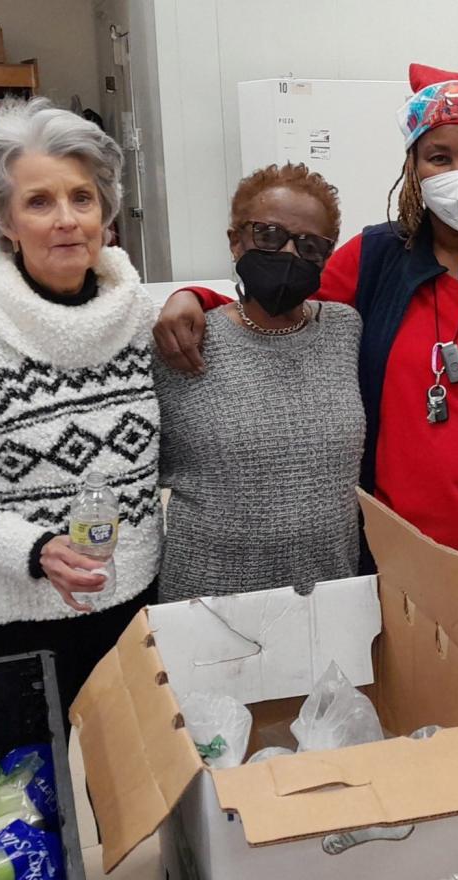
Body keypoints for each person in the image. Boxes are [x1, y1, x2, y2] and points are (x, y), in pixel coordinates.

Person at [154, 63, 458, 568]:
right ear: (413, 167)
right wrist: (196, 298)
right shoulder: (374, 257)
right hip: (381, 554)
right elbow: (280, 304)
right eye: (439, 157)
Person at [0, 97, 161, 727]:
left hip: (137, 607)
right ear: (4, 219)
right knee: (19, 806)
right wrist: (34, 548)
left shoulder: (139, 318)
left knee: (134, 796)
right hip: (15, 619)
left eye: (83, 198)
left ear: (106, 210)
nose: (67, 220)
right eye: (39, 202)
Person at [154, 163, 364, 600]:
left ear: (327, 255)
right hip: (208, 600)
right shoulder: (184, 342)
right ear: (235, 240)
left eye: (309, 245)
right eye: (268, 235)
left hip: (330, 596)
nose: (288, 254)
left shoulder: (345, 330)